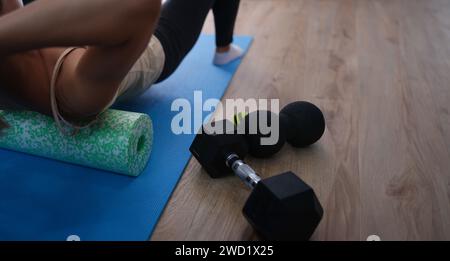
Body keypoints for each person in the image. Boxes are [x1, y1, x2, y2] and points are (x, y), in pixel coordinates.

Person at [0, 0, 243, 134]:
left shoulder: (24, 58)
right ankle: (224, 49)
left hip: (111, 31)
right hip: (155, 48)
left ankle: (224, 48)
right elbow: (140, 7)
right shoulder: (66, 84)